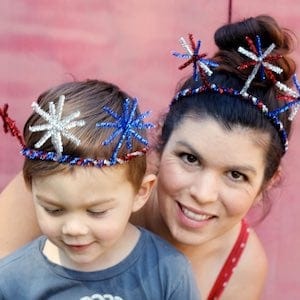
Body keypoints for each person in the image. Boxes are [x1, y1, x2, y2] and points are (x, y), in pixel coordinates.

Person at [1, 15, 300, 300]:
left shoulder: (240, 267)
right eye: (189, 158)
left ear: (266, 184)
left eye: (236, 175)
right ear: (159, 146)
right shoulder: (66, 177)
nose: (202, 193)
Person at [0, 80, 200, 299]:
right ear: (31, 187)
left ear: (141, 192)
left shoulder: (169, 272)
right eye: (54, 210)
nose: (74, 229)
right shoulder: (11, 281)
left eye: (96, 211)